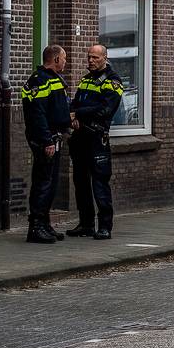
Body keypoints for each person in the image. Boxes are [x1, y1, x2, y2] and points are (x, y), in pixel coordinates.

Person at [67, 44, 122, 240]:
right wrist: (72, 114)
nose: (91, 60)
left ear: (105, 58)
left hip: (97, 138)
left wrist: (78, 113)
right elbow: (75, 102)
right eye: (89, 57)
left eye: (95, 58)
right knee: (80, 182)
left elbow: (106, 110)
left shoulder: (112, 81)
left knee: (100, 182)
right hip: (80, 137)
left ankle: (105, 226)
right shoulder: (85, 79)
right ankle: (86, 224)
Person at [21, 44, 70, 244]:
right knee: (42, 183)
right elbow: (37, 114)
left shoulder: (54, 79)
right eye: (64, 59)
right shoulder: (39, 81)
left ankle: (45, 223)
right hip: (45, 139)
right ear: (56, 59)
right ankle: (36, 227)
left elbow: (56, 107)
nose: (66, 62)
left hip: (54, 137)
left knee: (51, 183)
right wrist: (46, 140)